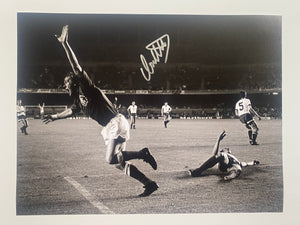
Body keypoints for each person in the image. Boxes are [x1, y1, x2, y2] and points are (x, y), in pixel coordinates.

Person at [43, 25, 158, 197]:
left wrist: (64, 44)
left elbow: (76, 66)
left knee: (109, 159)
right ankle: (149, 184)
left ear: (74, 82)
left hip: (115, 122)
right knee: (119, 162)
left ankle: (142, 153)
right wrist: (53, 116)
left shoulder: (86, 87)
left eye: (66, 83)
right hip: (112, 125)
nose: (64, 85)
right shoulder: (79, 102)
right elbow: (69, 112)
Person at [189, 131, 260, 181]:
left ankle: (230, 177)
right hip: (224, 164)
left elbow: (243, 163)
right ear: (223, 150)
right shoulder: (224, 154)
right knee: (223, 156)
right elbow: (214, 154)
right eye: (225, 148)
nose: (227, 148)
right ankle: (197, 172)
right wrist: (218, 140)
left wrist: (252, 162)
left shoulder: (234, 158)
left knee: (238, 168)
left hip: (231, 167)